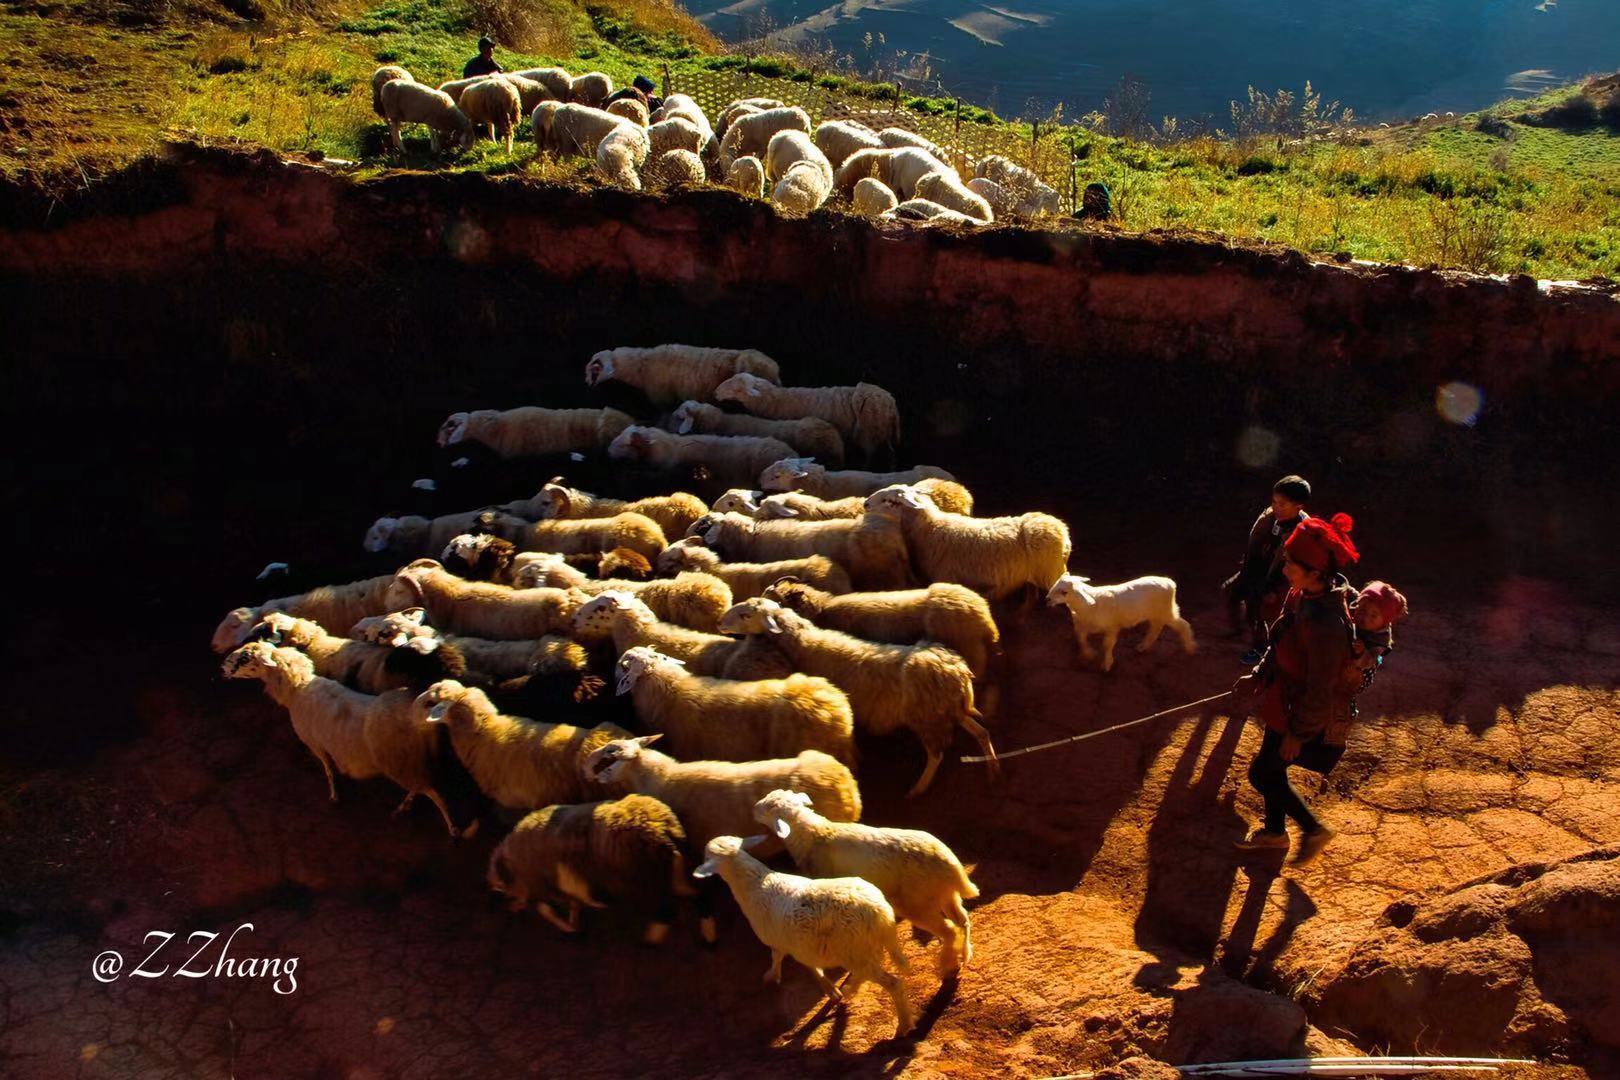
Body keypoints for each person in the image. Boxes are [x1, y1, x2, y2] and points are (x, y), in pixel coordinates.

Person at [1232, 512, 1359, 865]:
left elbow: (1321, 686)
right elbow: (1280, 642)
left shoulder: (1327, 625)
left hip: (1299, 713)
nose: (1284, 567)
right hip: (1283, 703)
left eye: (1291, 563)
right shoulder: (1300, 596)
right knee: (1273, 769)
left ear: (1317, 573)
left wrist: (1298, 734)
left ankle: (1313, 828)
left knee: (1262, 772)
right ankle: (1274, 832)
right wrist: (1258, 674)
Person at [1223, 475, 1311, 663]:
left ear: (1299, 506)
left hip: (1282, 578)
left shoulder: (1304, 530)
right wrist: (1246, 576)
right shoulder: (1269, 517)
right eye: (1274, 502)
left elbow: (1294, 566)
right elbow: (1253, 546)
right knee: (1232, 591)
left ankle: (1260, 648)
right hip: (1259, 568)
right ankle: (1237, 630)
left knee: (1261, 611)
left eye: (1282, 504)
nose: (1276, 507)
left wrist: (1271, 588)